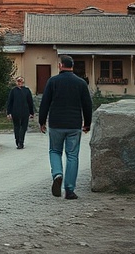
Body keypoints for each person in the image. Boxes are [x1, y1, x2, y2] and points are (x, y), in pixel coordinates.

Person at [38, 55, 92, 200]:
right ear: (72, 66)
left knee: (55, 151)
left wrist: (41, 121)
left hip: (56, 124)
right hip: (74, 124)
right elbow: (87, 105)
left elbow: (45, 103)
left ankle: (57, 174)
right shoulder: (81, 83)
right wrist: (87, 123)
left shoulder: (52, 81)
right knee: (72, 156)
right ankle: (69, 190)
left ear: (60, 66)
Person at [6, 76, 35, 149]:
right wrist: (8, 113)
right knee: (17, 126)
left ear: (23, 82)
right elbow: (10, 102)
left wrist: (31, 112)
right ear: (16, 82)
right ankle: (18, 140)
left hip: (25, 111)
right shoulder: (13, 91)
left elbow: (30, 102)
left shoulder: (27, 90)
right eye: (18, 81)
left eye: (21, 81)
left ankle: (21, 142)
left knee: (24, 127)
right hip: (15, 111)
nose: (20, 83)